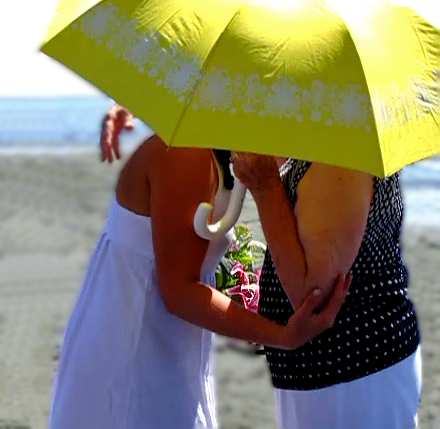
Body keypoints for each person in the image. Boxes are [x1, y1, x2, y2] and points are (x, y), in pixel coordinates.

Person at [48, 104, 351, 429]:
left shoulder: (215, 155)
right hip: (132, 349)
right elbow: (179, 291)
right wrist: (282, 336)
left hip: (163, 339)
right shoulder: (188, 154)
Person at [232, 152, 422, 429]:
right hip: (343, 371)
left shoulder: (340, 159)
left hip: (350, 367)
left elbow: (312, 297)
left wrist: (266, 186)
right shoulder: (332, 144)